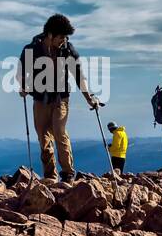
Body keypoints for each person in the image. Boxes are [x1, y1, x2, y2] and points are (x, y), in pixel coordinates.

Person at [18, 13, 102, 182]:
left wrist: (89, 97)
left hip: (60, 99)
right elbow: (21, 72)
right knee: (43, 137)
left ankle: (68, 174)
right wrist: (23, 86)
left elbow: (79, 76)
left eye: (65, 37)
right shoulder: (32, 49)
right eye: (61, 37)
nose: (64, 40)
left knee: (59, 132)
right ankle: (50, 176)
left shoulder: (67, 50)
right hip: (40, 98)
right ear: (50, 34)